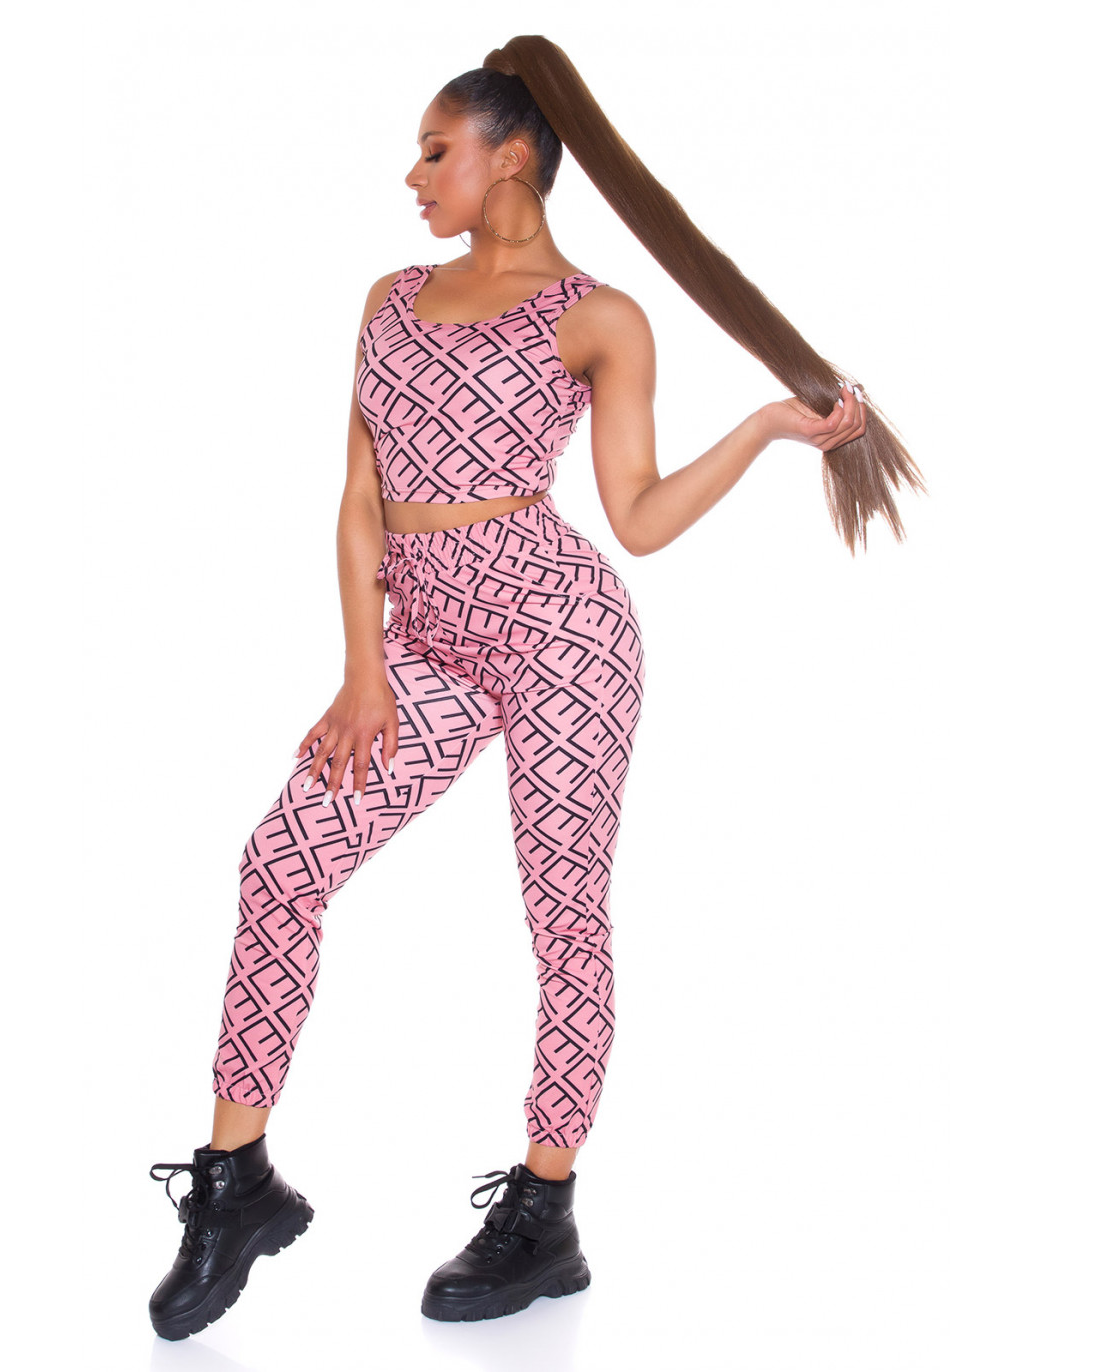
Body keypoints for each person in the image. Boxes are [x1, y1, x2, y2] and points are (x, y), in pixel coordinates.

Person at [146, 35, 922, 1341]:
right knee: (282, 860)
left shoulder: (600, 317)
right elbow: (359, 497)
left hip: (565, 638)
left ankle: (545, 1210)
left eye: (434, 150)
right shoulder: (391, 298)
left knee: (565, 922)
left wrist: (764, 429)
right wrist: (361, 671)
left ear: (511, 156)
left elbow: (639, 516)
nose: (413, 176)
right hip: (423, 642)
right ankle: (235, 1183)